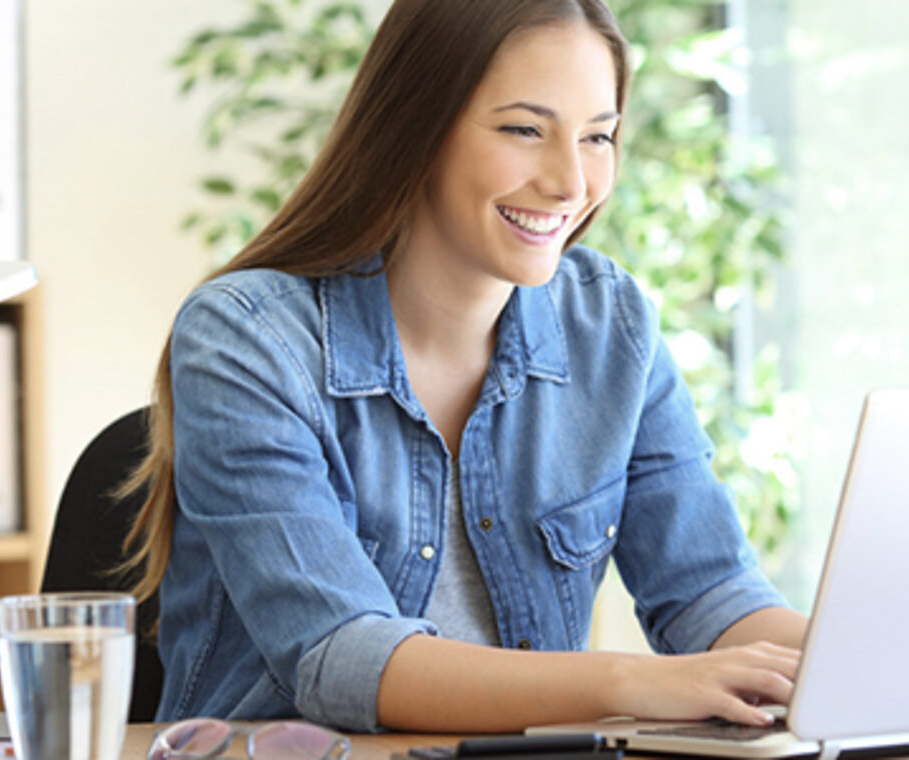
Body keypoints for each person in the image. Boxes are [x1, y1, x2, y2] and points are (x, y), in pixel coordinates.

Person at [122, 0, 808, 734]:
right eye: (523, 130)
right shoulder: (247, 338)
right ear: (415, 127)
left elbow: (712, 593)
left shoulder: (611, 326)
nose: (571, 182)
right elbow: (342, 655)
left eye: (598, 136)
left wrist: (865, 654)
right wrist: (637, 682)